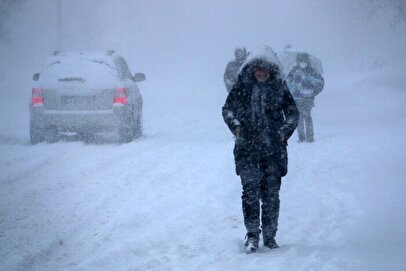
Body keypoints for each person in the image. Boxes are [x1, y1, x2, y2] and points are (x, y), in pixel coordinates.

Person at [222, 46, 299, 254]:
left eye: (265, 70)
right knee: (250, 194)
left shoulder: (280, 88)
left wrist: (284, 131)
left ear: (271, 71)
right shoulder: (241, 88)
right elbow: (227, 109)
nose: (261, 73)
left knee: (271, 195)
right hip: (247, 150)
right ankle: (253, 235)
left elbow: (293, 114)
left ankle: (270, 236)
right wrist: (236, 126)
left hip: (273, 152)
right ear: (252, 70)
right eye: (258, 69)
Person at [286, 53, 324, 142]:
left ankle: (310, 137)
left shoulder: (312, 71)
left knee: (307, 116)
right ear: (298, 61)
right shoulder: (293, 71)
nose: (303, 63)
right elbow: (287, 83)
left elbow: (320, 83)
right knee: (299, 117)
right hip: (297, 98)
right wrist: (294, 86)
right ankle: (301, 137)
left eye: (304, 61)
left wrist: (313, 90)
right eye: (301, 61)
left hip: (308, 98)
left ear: (307, 61)